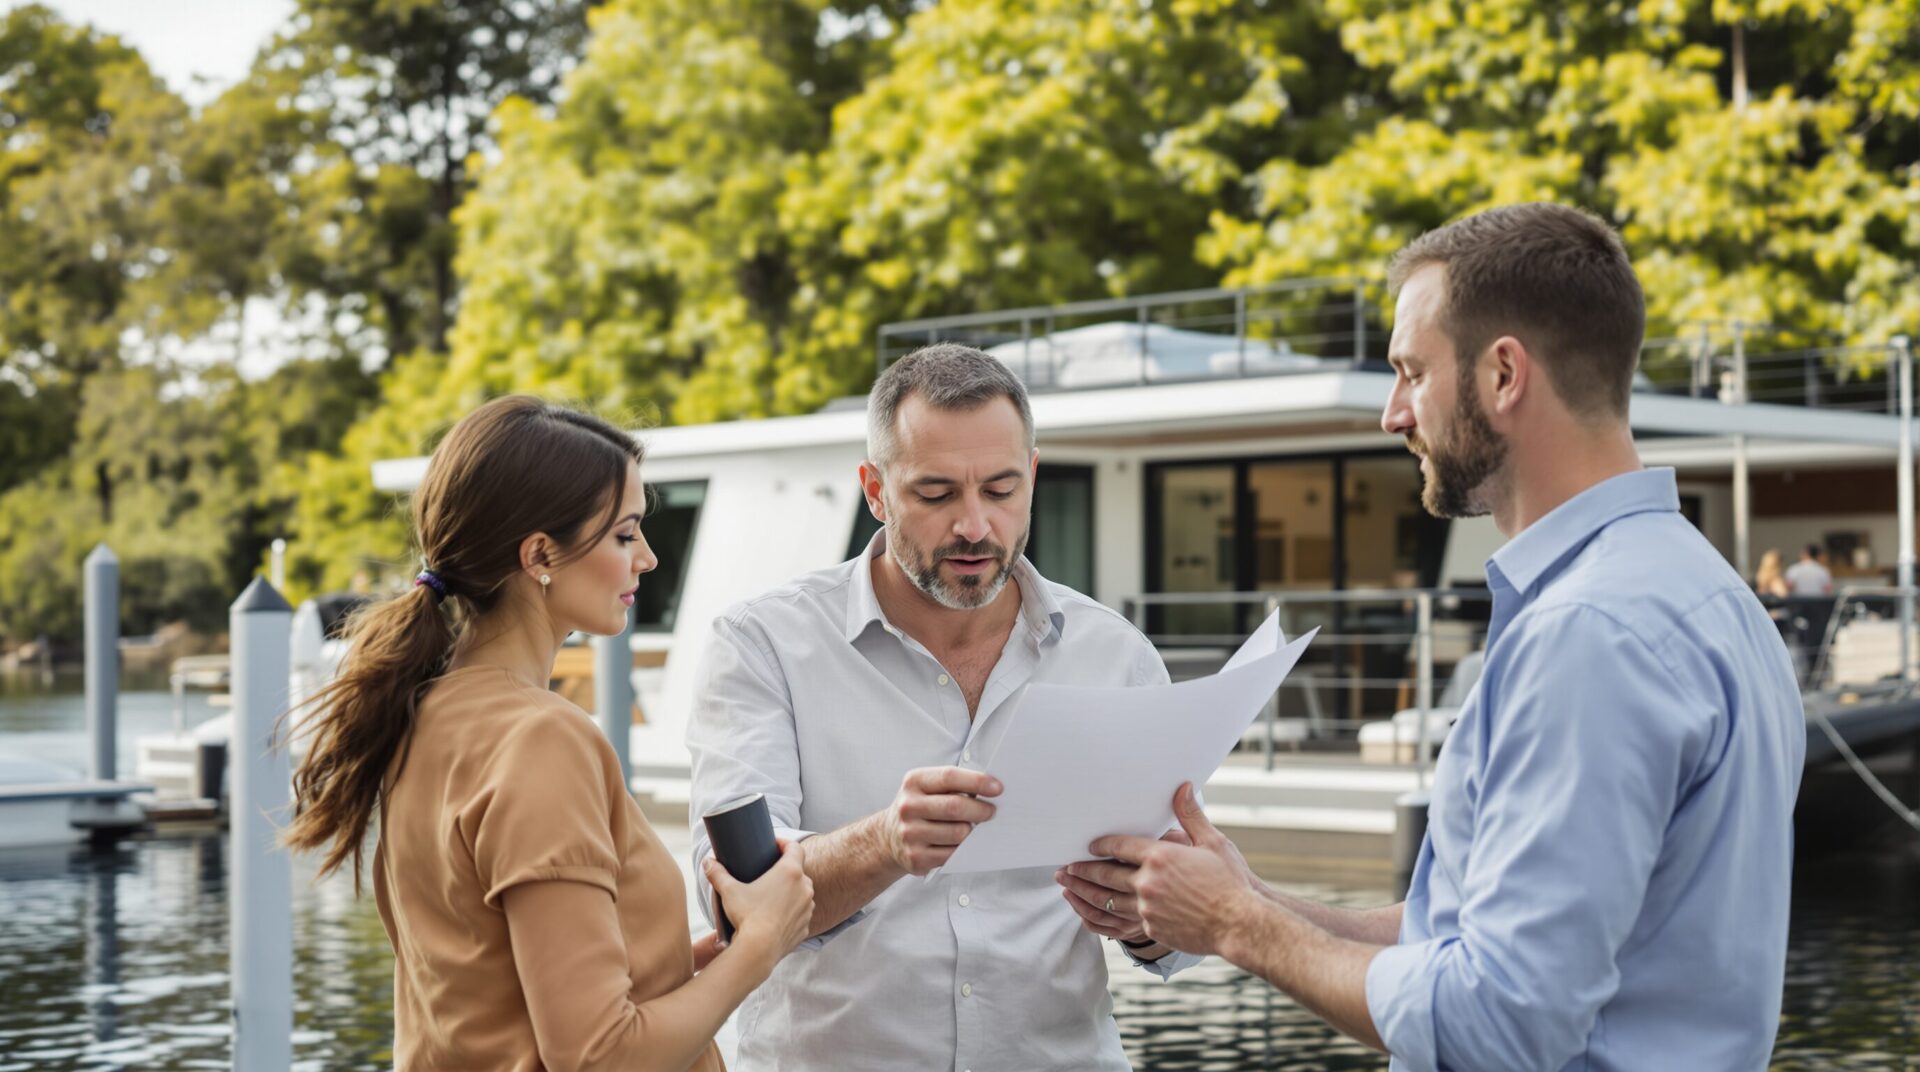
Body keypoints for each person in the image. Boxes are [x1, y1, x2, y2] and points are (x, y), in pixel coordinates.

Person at [1069, 203, 1806, 1071]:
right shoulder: (1709, 596)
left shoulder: (1586, 635)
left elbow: (1498, 1025)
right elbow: (1458, 937)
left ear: (1504, 374)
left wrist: (1237, 924)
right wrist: (1244, 894)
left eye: (1411, 372)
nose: (1392, 414)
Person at [686, 344, 1200, 1072]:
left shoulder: (1117, 657)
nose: (974, 525)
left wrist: (1147, 915)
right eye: (935, 494)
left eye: (1001, 489)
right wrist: (881, 846)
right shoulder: (762, 646)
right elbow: (732, 903)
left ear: (1033, 478)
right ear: (874, 491)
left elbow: (1179, 935)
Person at [283, 396, 814, 1072]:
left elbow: (494, 993)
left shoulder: (424, 715)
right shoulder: (541, 740)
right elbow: (596, 1056)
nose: (648, 559)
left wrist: (716, 955)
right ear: (540, 555)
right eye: (625, 536)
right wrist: (761, 946)